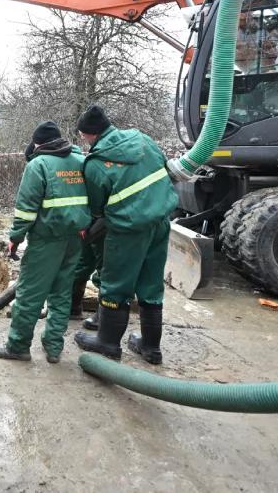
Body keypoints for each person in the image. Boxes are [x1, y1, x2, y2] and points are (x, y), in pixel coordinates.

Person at [72, 106, 178, 364]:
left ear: (89, 135)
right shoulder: (143, 140)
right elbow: (163, 170)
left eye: (84, 137)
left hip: (127, 230)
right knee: (152, 284)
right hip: (160, 222)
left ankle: (107, 343)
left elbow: (97, 209)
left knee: (116, 284)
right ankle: (151, 348)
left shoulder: (95, 164)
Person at [0, 121, 91, 364]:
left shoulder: (38, 165)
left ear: (37, 144)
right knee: (61, 293)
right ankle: (54, 347)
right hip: (76, 239)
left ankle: (18, 346)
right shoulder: (80, 162)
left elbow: (25, 210)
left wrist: (15, 238)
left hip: (47, 240)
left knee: (29, 294)